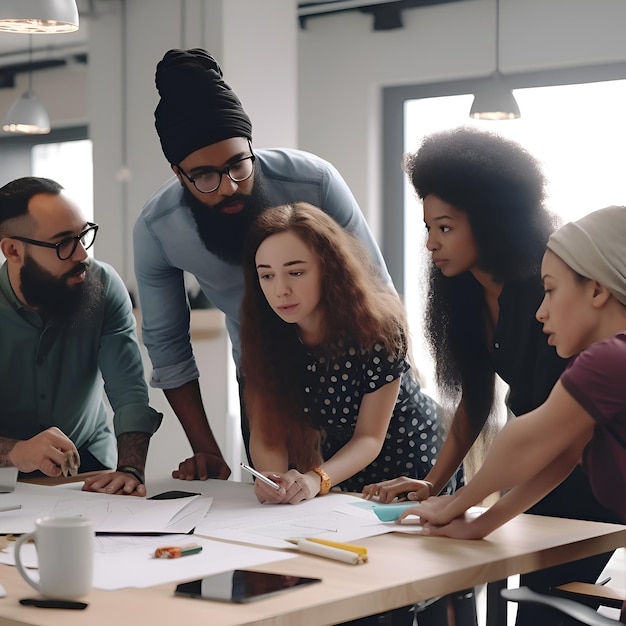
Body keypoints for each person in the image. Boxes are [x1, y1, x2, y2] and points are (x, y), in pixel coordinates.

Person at [361, 127, 619, 626]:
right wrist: (438, 491)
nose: (432, 243)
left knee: (547, 604)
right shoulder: (465, 297)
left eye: (446, 228)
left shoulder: (558, 312)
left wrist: (463, 502)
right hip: (548, 464)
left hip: (583, 478)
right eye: (428, 229)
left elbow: (547, 432)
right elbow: (487, 407)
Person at [134, 48, 391, 482]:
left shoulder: (314, 181)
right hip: (265, 381)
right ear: (179, 173)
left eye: (238, 164)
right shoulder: (159, 228)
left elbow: (377, 290)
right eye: (206, 177)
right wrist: (206, 450)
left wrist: (386, 369)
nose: (230, 187)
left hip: (357, 374)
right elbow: (168, 349)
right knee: (278, 513)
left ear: (251, 146)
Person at [410, 205, 626, 624]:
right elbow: (560, 455)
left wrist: (455, 502)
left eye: (551, 290)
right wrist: (479, 523)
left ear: (597, 290)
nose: (540, 311)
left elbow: (525, 440)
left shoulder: (610, 360)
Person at [239, 202, 445, 505]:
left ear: (329, 268)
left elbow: (369, 438)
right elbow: (268, 433)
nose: (280, 289)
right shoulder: (263, 335)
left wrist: (314, 479)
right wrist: (274, 482)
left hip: (407, 457)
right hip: (337, 469)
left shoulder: (377, 328)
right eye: (266, 276)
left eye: (295, 272)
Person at [0, 177, 162, 496]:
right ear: (13, 250)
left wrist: (130, 469)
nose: (82, 255)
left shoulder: (102, 286)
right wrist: (16, 451)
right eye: (63, 243)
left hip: (86, 462)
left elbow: (128, 391)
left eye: (82, 235)